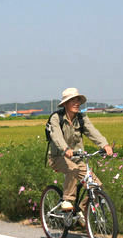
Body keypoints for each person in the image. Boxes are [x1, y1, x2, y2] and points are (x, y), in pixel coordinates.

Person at [47, 88, 113, 224]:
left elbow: (92, 131)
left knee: (96, 186)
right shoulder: (56, 118)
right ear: (65, 103)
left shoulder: (82, 118)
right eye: (72, 100)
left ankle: (82, 210)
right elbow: (57, 136)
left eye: (77, 100)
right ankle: (67, 200)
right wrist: (65, 149)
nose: (76, 103)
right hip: (57, 157)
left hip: (77, 158)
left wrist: (104, 145)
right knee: (73, 169)